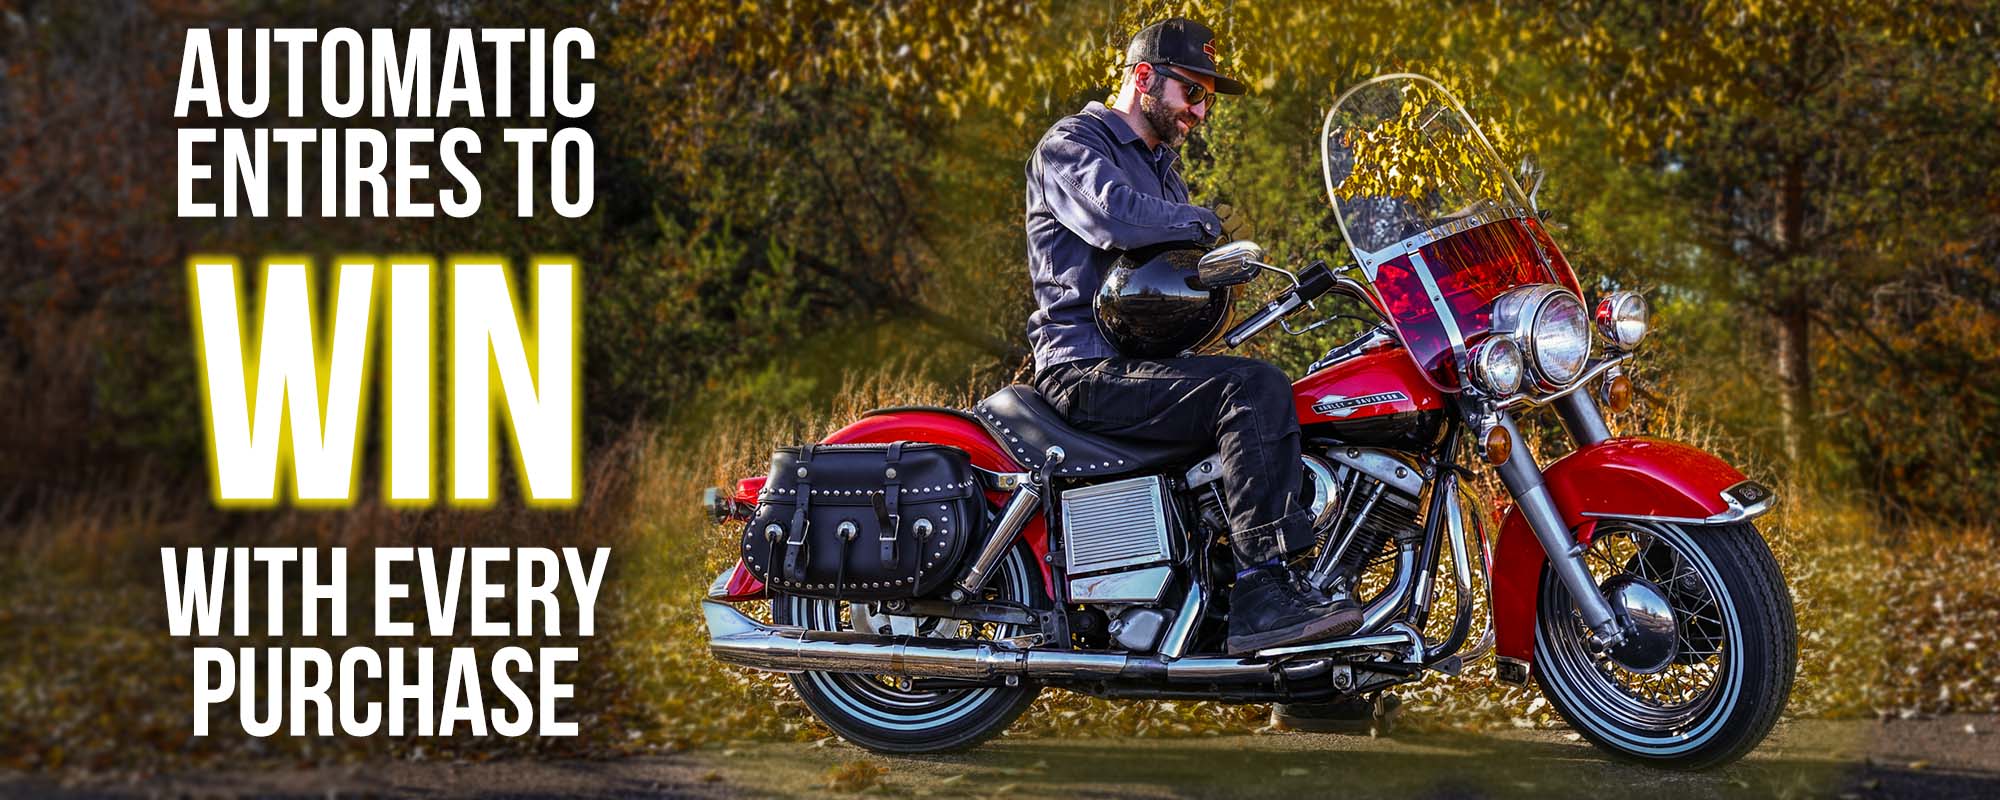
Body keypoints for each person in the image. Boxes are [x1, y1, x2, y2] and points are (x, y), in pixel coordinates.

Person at [1023, 18, 1362, 655]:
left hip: (1142, 364)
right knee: (1253, 390)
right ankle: (1265, 588)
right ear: (1144, 77)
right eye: (1192, 93)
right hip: (1086, 369)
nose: (1200, 111)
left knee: (1291, 393)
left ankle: (1307, 654)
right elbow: (1111, 218)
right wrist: (1203, 223)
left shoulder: (1164, 170)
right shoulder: (1072, 143)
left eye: (1207, 98)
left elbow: (1167, 282)